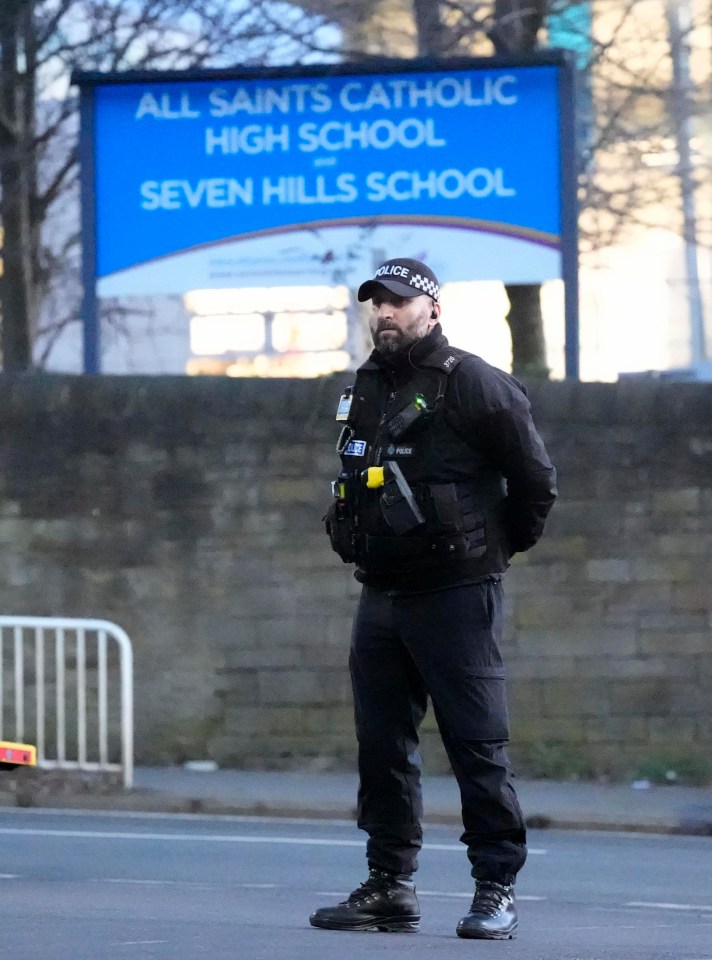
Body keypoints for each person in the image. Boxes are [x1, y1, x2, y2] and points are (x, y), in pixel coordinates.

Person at [311, 257, 557, 940]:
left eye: (399, 301)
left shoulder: (474, 384)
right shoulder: (365, 386)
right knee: (380, 747)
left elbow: (535, 482)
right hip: (382, 594)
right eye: (377, 302)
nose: (385, 313)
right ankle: (390, 885)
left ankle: (495, 888)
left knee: (476, 745)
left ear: (432, 309)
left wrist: (493, 551)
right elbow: (357, 475)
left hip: (455, 594)